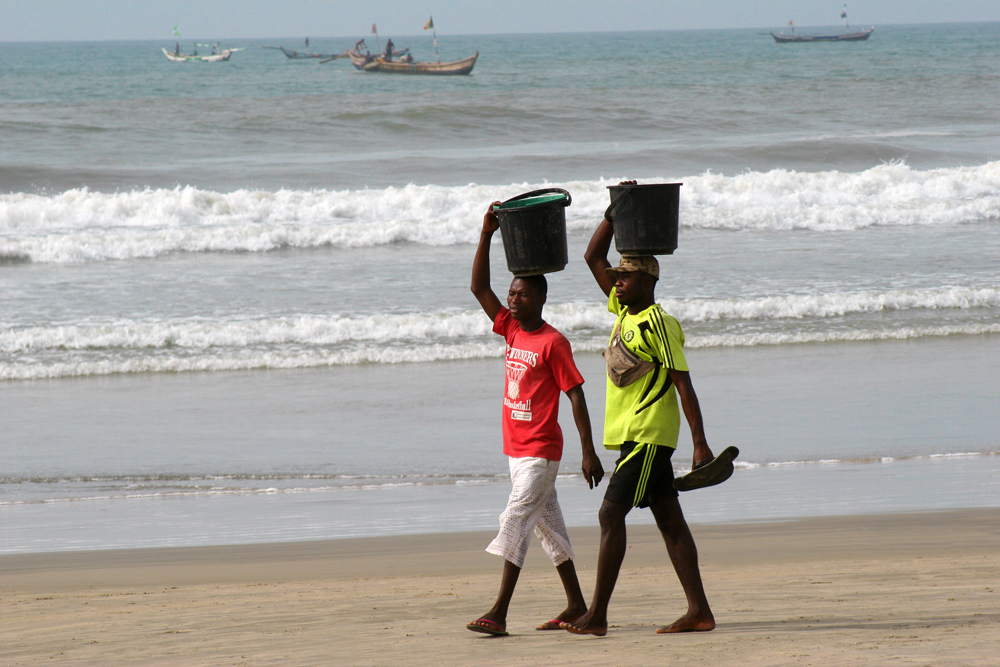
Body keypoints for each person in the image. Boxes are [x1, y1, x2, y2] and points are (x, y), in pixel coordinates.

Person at [562, 200, 716, 636]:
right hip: (631, 437)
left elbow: (683, 382)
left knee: (611, 515)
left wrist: (699, 443)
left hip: (649, 436)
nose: (617, 282)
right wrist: (613, 215)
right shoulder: (622, 310)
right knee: (670, 522)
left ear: (648, 280)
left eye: (625, 276)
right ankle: (699, 612)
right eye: (616, 278)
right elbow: (592, 257)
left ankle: (598, 615)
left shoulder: (659, 323)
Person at [467, 202, 605, 637]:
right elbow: (478, 289)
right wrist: (486, 233)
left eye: (522, 294)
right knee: (549, 530)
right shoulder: (510, 328)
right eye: (512, 293)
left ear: (541, 298)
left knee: (514, 520)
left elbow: (576, 395)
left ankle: (499, 612)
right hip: (516, 450)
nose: (513, 298)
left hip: (542, 453)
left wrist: (588, 451)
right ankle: (577, 603)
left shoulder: (553, 342)